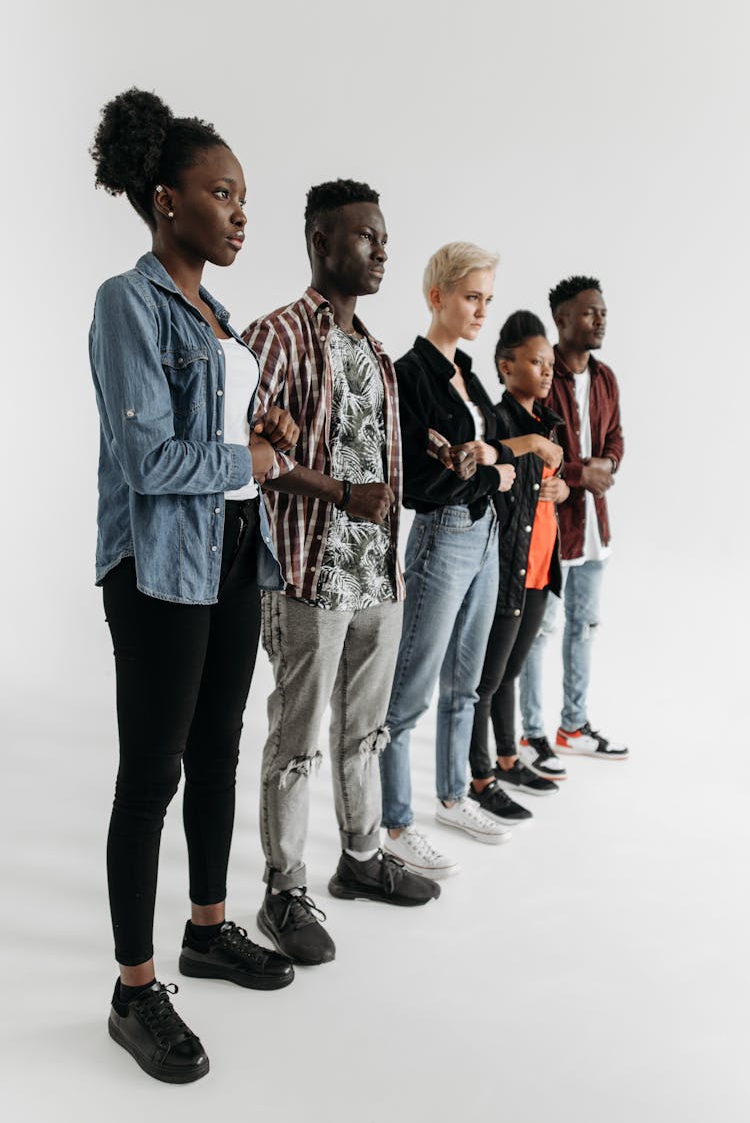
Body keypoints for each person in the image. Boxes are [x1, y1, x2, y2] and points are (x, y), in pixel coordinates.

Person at [90, 89, 306, 1083]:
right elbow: (147, 460)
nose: (240, 212)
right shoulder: (127, 301)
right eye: (222, 193)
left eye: (246, 196)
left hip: (228, 549)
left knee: (219, 743)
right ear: (168, 200)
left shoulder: (213, 311)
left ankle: (207, 930)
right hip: (158, 564)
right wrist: (248, 461)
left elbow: (225, 443)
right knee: (153, 772)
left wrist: (265, 445)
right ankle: (135, 989)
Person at [243, 180, 440, 969]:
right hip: (305, 573)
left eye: (385, 238)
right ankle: (283, 889)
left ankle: (360, 859)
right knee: (294, 742)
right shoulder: (278, 334)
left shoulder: (378, 355)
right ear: (322, 242)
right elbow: (250, 454)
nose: (382, 249)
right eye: (366, 237)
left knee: (364, 731)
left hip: (375, 577)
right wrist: (340, 493)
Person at [379, 242, 528, 880]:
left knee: (465, 681)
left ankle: (452, 796)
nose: (480, 310)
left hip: (485, 538)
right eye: (472, 297)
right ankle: (395, 825)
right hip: (442, 537)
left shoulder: (468, 373)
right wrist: (492, 476)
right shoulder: (410, 372)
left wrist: (490, 465)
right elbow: (417, 480)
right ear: (436, 295)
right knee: (407, 691)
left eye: (488, 299)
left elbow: (492, 450)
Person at [518, 277, 629, 762]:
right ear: (562, 320)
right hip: (551, 528)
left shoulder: (604, 378)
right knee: (540, 632)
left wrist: (608, 467)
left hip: (594, 532)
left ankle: (573, 725)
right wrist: (587, 473)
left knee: (584, 627)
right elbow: (534, 446)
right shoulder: (544, 375)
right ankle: (530, 733)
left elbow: (617, 438)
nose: (600, 319)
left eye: (602, 311)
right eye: (589, 313)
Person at [467, 311, 569, 821]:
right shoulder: (498, 419)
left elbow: (557, 485)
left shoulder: (550, 423)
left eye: (549, 362)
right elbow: (485, 456)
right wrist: (530, 446)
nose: (547, 371)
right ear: (506, 367)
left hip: (540, 570)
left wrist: (565, 486)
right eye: (536, 361)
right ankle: (480, 776)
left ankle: (508, 757)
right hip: (506, 567)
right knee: (486, 680)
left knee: (512, 672)